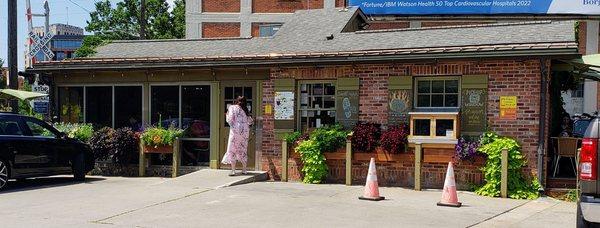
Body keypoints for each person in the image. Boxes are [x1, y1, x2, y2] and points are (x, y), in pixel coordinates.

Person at [222, 96, 253, 176]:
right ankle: (244, 170)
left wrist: (227, 115)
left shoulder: (232, 107)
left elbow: (230, 119)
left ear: (236, 101)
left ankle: (233, 170)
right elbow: (250, 121)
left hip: (235, 131)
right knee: (243, 149)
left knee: (232, 149)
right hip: (245, 132)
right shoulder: (246, 109)